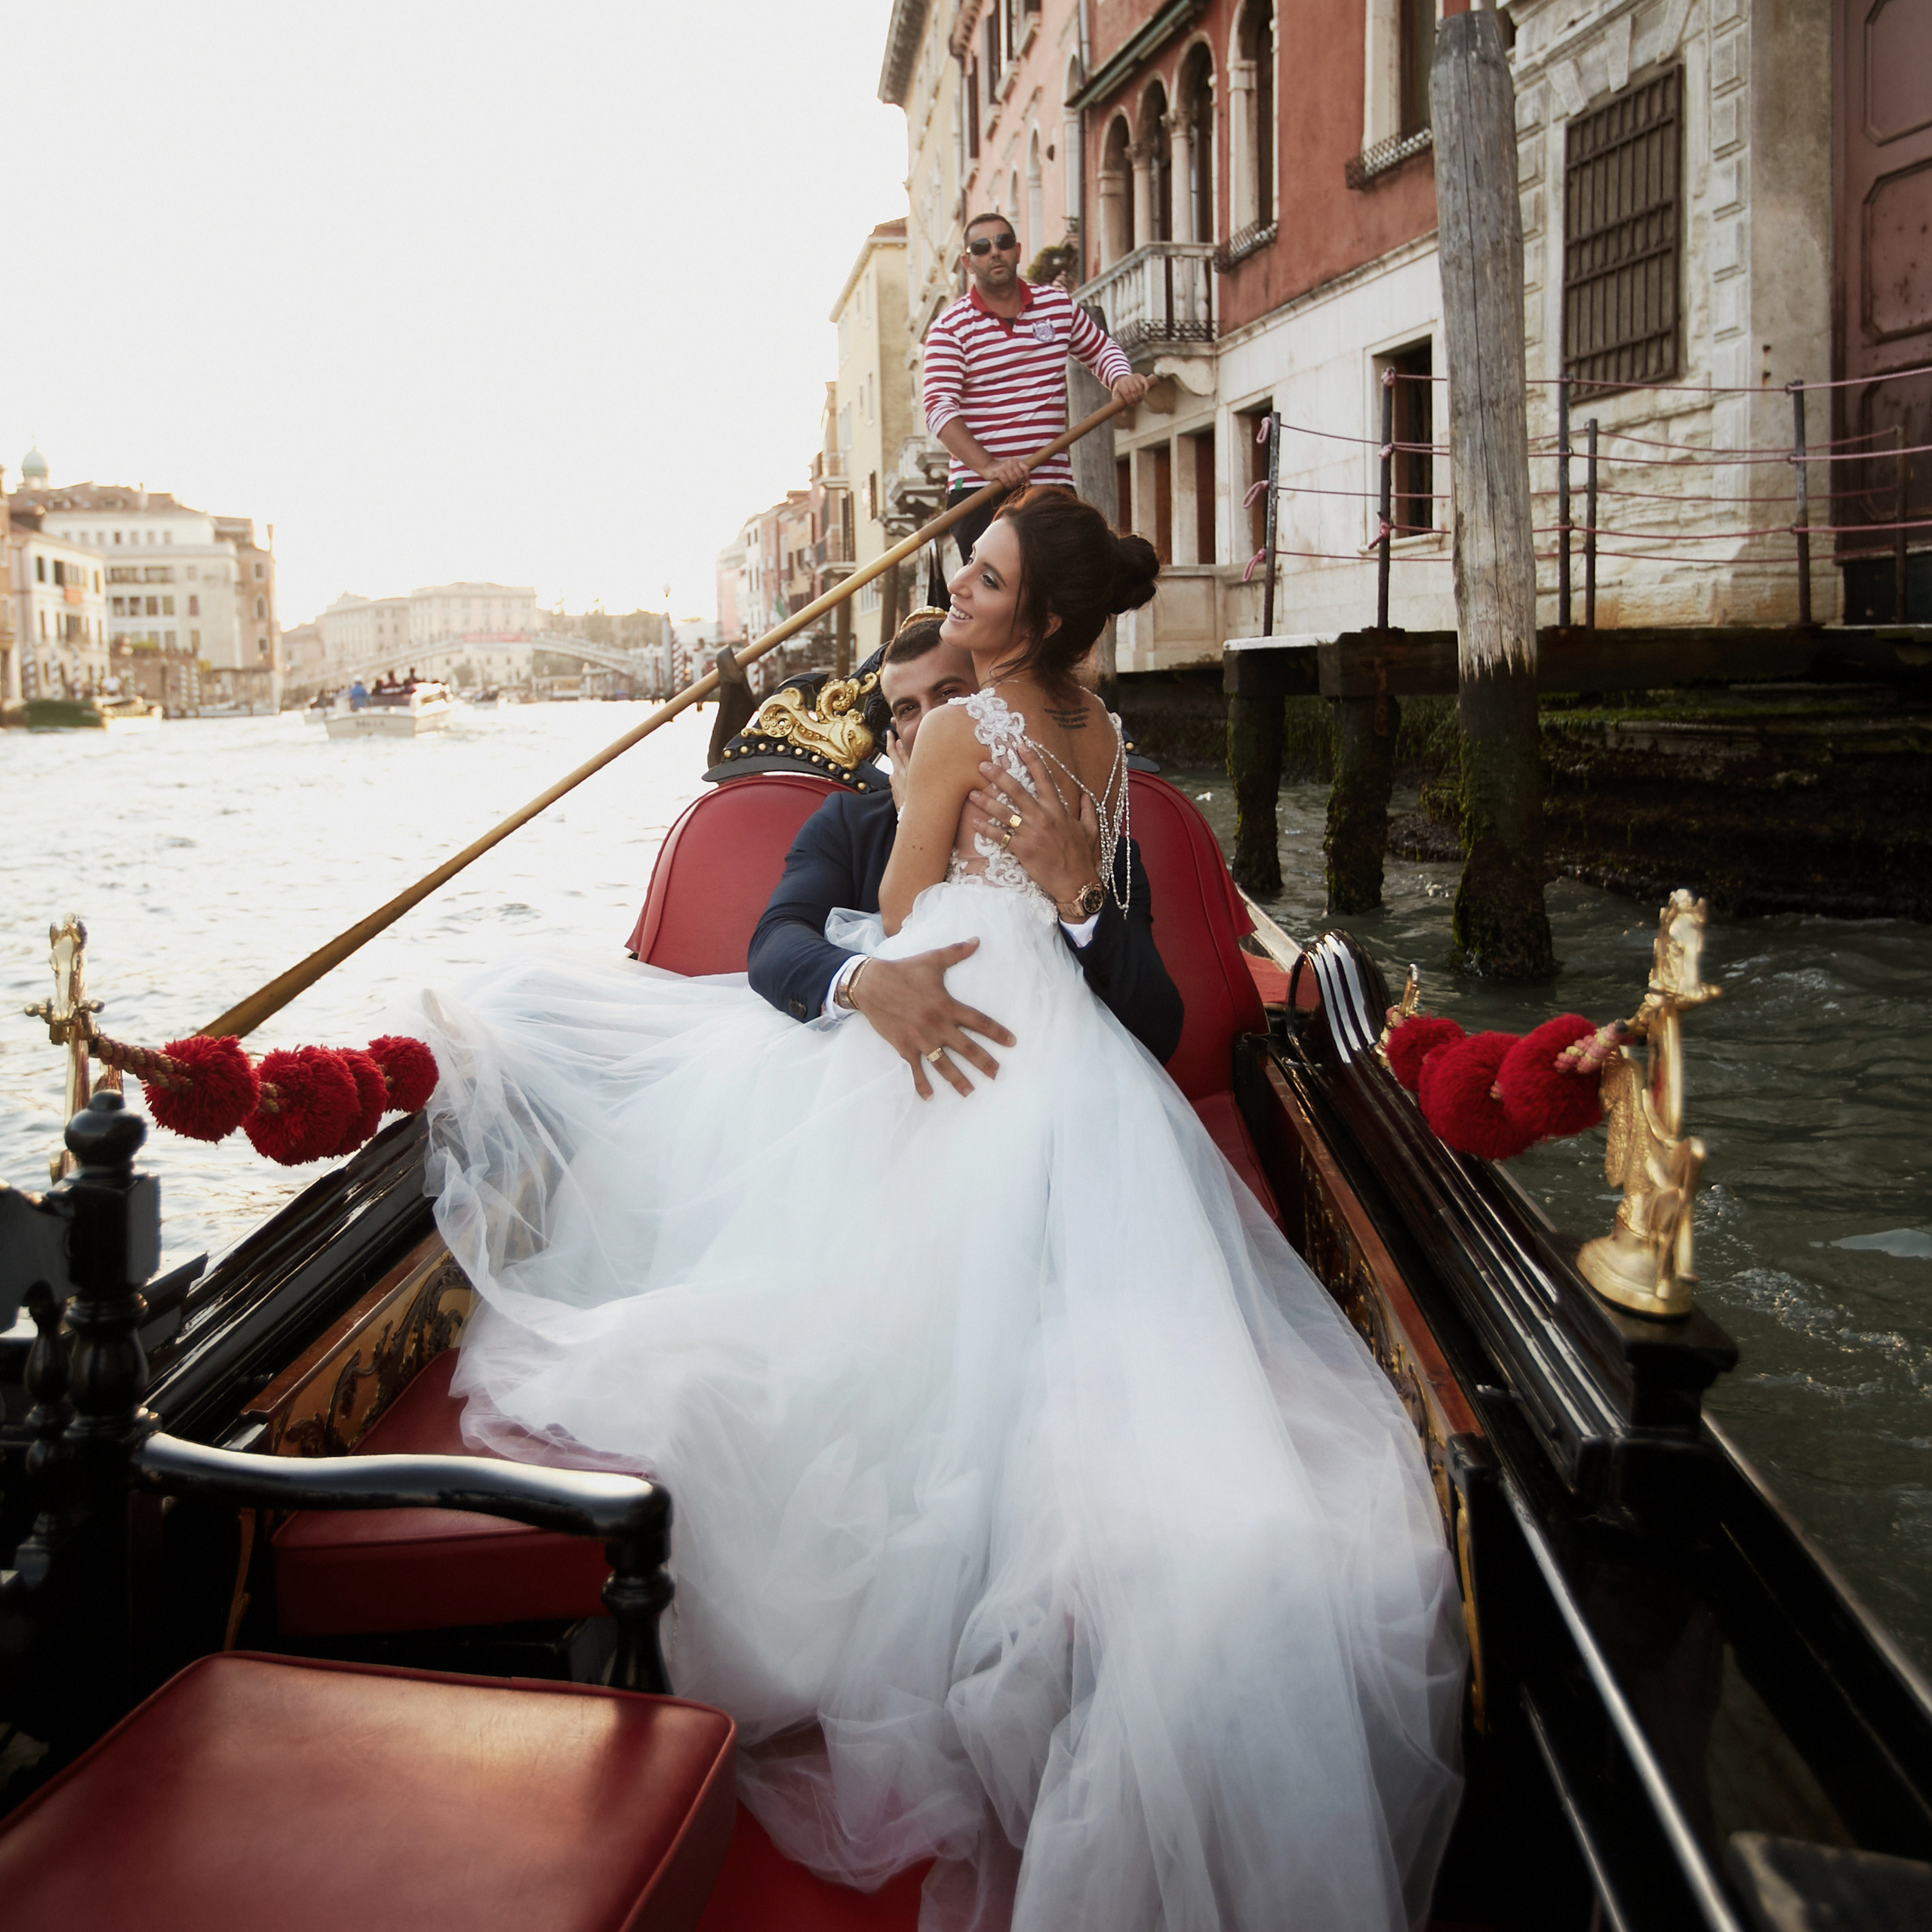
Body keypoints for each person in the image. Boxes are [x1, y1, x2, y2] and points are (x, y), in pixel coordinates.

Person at [418, 487, 1464, 1932]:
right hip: (1052, 1062)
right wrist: (900, 966)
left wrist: (1062, 899)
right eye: (959, 588)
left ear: (1037, 619)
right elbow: (806, 946)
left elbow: (934, 921)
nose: (958, 599)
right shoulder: (1097, 742)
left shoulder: (970, 736)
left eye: (983, 582)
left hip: (995, 1040)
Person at [747, 611, 1183, 1092]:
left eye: (949, 695)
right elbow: (774, 944)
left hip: (1047, 1085)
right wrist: (864, 981)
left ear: (991, 703)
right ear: (893, 732)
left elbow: (1157, 1029)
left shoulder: (1084, 836)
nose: (929, 723)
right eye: (907, 710)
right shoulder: (848, 824)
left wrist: (1077, 894)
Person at [924, 214, 1150, 565]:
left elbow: (1101, 349)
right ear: (968, 263)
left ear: (1017, 250)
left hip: (1050, 484)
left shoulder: (1057, 306)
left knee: (1062, 584)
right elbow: (939, 408)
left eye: (1002, 243)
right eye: (981, 248)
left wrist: (1120, 378)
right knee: (995, 590)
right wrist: (990, 466)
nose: (994, 252)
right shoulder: (949, 328)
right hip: (981, 490)